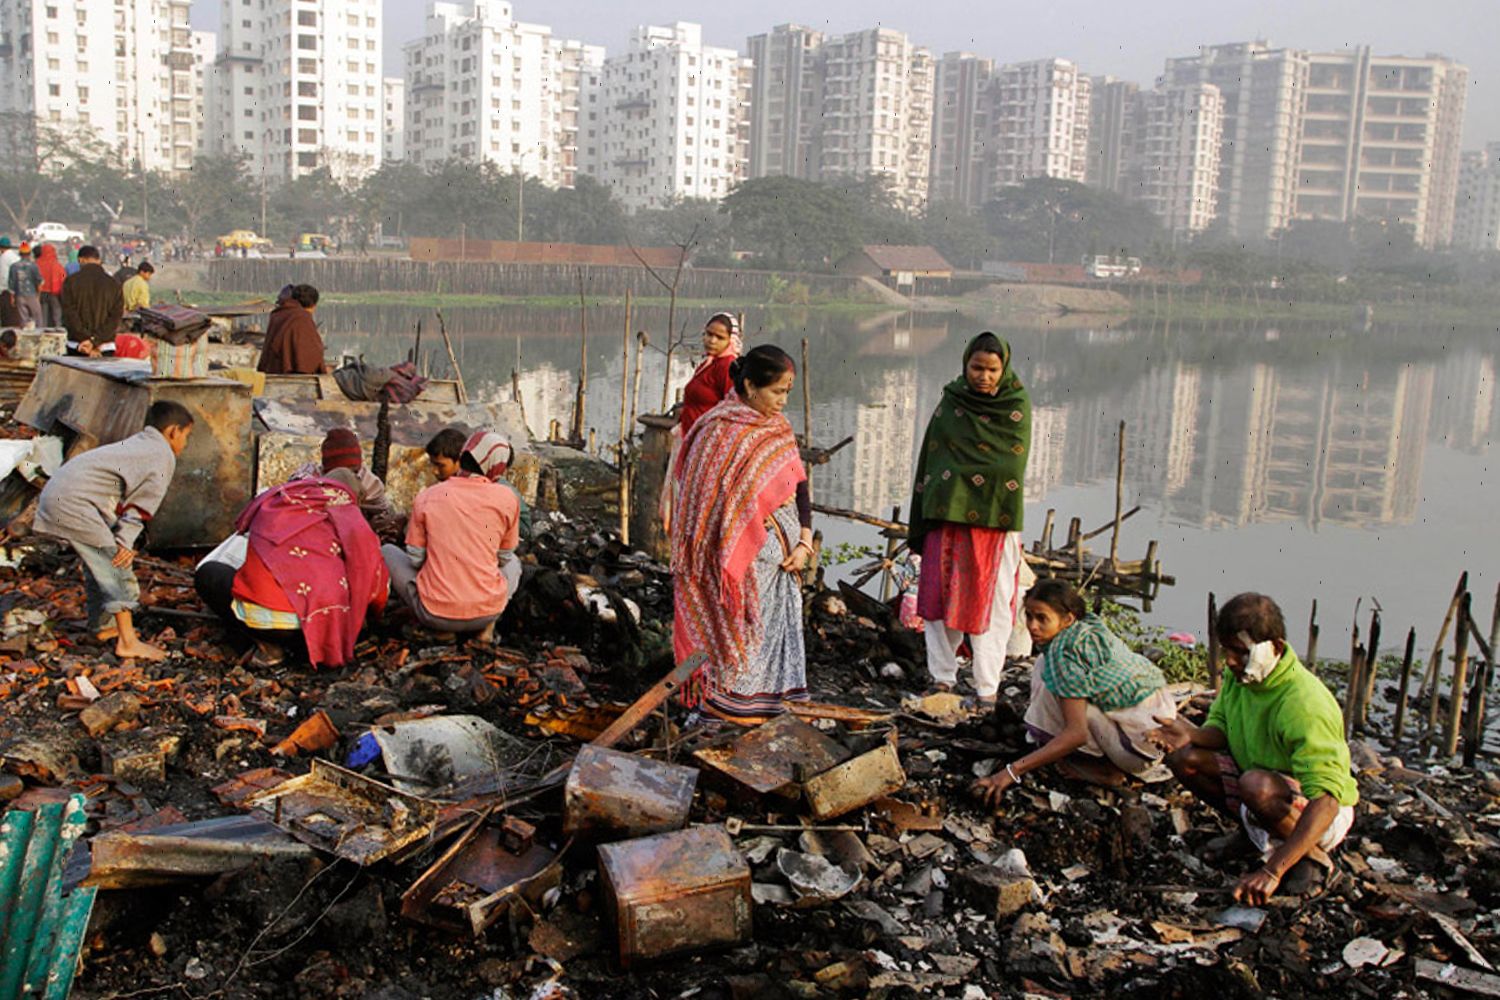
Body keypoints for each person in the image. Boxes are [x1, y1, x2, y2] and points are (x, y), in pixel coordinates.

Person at [1151, 593, 1359, 904]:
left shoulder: (1304, 703)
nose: (1230, 661)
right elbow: (1220, 731)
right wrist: (1190, 734)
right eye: (1227, 651)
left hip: (1322, 814)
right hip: (1264, 789)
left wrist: (1273, 871)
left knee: (1256, 785)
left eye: (1239, 652)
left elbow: (1327, 801)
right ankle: (1254, 837)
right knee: (1186, 759)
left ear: (1272, 648)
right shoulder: (1243, 678)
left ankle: (1313, 860)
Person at [672, 345, 813, 723]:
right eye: (777, 392)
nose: (783, 401)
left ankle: (771, 710)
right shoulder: (717, 430)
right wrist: (740, 529)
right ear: (749, 385)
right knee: (741, 633)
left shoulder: (777, 429)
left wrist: (803, 538)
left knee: (775, 637)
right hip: (737, 567)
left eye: (787, 392)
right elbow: (701, 501)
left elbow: (798, 485)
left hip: (782, 562)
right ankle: (728, 709)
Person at [972, 580, 1179, 806]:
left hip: (1140, 751)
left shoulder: (1065, 657)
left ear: (1068, 619)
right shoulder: (1087, 628)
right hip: (1155, 737)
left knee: (1050, 679)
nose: (1032, 626)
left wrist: (1010, 773)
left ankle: (1101, 769)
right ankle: (1106, 763)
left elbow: (1077, 734)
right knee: (1047, 668)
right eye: (1029, 616)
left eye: (1042, 618)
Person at [908, 333, 1031, 709]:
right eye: (977, 367)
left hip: (993, 525)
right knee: (939, 596)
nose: (984, 376)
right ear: (965, 365)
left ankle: (986, 687)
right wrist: (956, 478)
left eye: (992, 369)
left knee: (994, 603)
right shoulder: (952, 402)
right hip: (947, 520)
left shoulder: (1016, 406)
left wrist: (958, 476)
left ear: (1004, 368)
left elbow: (1009, 465)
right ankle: (942, 678)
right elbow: (934, 459)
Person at [32, 401, 195, 661]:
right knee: (116, 564)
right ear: (174, 431)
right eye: (186, 436)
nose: (185, 444)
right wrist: (124, 543)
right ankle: (128, 641)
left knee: (98, 564)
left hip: (60, 493)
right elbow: (141, 506)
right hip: (74, 502)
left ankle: (102, 628)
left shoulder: (140, 443)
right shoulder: (161, 454)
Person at [194, 469, 388, 669]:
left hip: (276, 628)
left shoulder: (281, 501)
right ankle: (313, 647)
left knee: (209, 574)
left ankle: (269, 648)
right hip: (331, 633)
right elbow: (377, 594)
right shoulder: (359, 527)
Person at [381, 427, 522, 643]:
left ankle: (441, 631)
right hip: (487, 612)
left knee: (387, 551)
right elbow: (503, 558)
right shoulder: (508, 498)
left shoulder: (427, 496)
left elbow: (416, 559)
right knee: (514, 562)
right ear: (496, 466)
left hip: (434, 614)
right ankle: (487, 629)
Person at [660, 313, 743, 533]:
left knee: (696, 507)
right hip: (690, 440)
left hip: (706, 448)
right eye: (708, 334)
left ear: (730, 341)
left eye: (719, 337)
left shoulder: (727, 367)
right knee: (684, 502)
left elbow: (732, 409)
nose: (711, 341)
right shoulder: (708, 364)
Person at [290, 427, 404, 542]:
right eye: (341, 472)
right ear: (327, 471)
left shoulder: (370, 483)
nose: (350, 477)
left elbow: (385, 511)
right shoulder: (308, 479)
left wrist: (373, 525)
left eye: (354, 472)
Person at [61, 245, 125, 356]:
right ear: (99, 260)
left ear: (81, 260)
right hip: (104, 346)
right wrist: (95, 340)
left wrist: (87, 340)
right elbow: (115, 318)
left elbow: (69, 314)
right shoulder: (114, 284)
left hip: (78, 345)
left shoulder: (71, 282)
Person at [256, 284, 326, 374]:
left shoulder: (277, 314)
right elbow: (313, 354)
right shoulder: (303, 317)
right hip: (290, 374)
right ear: (312, 305)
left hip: (271, 370)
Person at [8, 243, 43, 329]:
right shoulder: (33, 266)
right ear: (29, 253)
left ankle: (24, 336)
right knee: (37, 318)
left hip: (19, 295)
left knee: (23, 319)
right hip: (32, 295)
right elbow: (39, 282)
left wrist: (12, 297)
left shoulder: (14, 266)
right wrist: (38, 295)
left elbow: (12, 283)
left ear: (20, 253)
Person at [36, 243, 66, 328]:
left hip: (41, 292)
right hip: (54, 293)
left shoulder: (37, 264)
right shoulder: (56, 264)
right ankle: (58, 329)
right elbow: (63, 276)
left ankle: (42, 331)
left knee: (43, 314)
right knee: (57, 313)